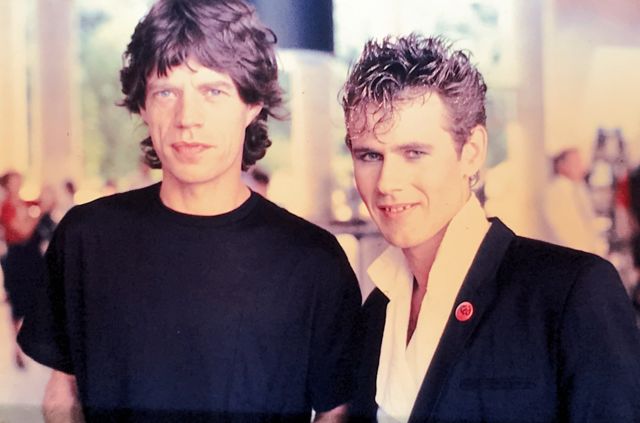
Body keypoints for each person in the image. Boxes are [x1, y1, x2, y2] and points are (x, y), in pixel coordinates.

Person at [17, 0, 361, 421]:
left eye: (213, 91)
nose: (187, 118)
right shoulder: (87, 237)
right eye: (166, 92)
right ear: (142, 105)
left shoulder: (313, 261)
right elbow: (63, 390)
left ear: (251, 103)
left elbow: (334, 412)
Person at [341, 34, 640, 422]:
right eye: (369, 155)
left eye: (414, 153)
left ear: (472, 152)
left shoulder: (570, 291)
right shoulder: (376, 313)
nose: (386, 182)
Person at [0, 171, 55, 369]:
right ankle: (18, 349)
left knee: (36, 300)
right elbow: (22, 232)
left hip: (30, 259)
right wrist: (40, 211)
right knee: (18, 305)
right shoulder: (6, 207)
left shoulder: (23, 203)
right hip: (18, 259)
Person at [543, 147, 607, 256]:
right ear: (561, 165)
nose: (582, 167)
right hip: (573, 254)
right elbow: (565, 230)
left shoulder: (579, 187)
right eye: (576, 163)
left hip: (589, 253)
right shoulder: (557, 192)